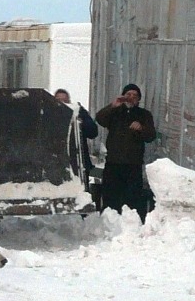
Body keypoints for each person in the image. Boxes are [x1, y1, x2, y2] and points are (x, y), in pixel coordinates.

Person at [95, 83, 156, 222]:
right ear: (123, 96)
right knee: (110, 197)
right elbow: (100, 119)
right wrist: (112, 106)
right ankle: (109, 223)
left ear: (139, 99)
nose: (131, 98)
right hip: (113, 163)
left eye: (135, 96)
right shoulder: (115, 111)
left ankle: (133, 224)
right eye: (128, 94)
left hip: (133, 164)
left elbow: (151, 136)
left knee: (133, 198)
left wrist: (141, 128)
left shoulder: (144, 115)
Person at [54, 88, 98, 186]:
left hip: (78, 164)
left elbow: (93, 132)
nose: (62, 104)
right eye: (58, 101)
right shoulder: (48, 115)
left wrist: (81, 122)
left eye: (65, 101)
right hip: (55, 164)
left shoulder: (78, 112)